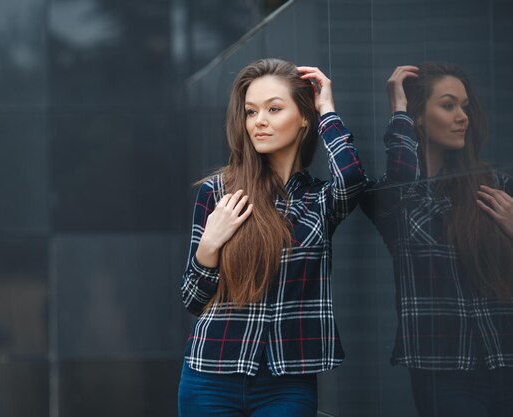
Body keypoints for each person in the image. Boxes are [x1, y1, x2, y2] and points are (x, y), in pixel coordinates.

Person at [178, 58, 367, 417]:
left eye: (274, 109)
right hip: (210, 375)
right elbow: (191, 298)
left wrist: (327, 107)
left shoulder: (321, 200)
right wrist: (208, 247)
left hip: (287, 381)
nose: (259, 121)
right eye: (251, 112)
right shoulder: (219, 193)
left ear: (304, 117)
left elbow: (352, 178)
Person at [361, 62, 513, 417]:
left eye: (465, 106)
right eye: (448, 105)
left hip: (507, 357)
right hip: (442, 372)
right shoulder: (390, 199)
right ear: (417, 117)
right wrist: (399, 111)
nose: (463, 117)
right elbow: (401, 178)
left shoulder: (497, 187)